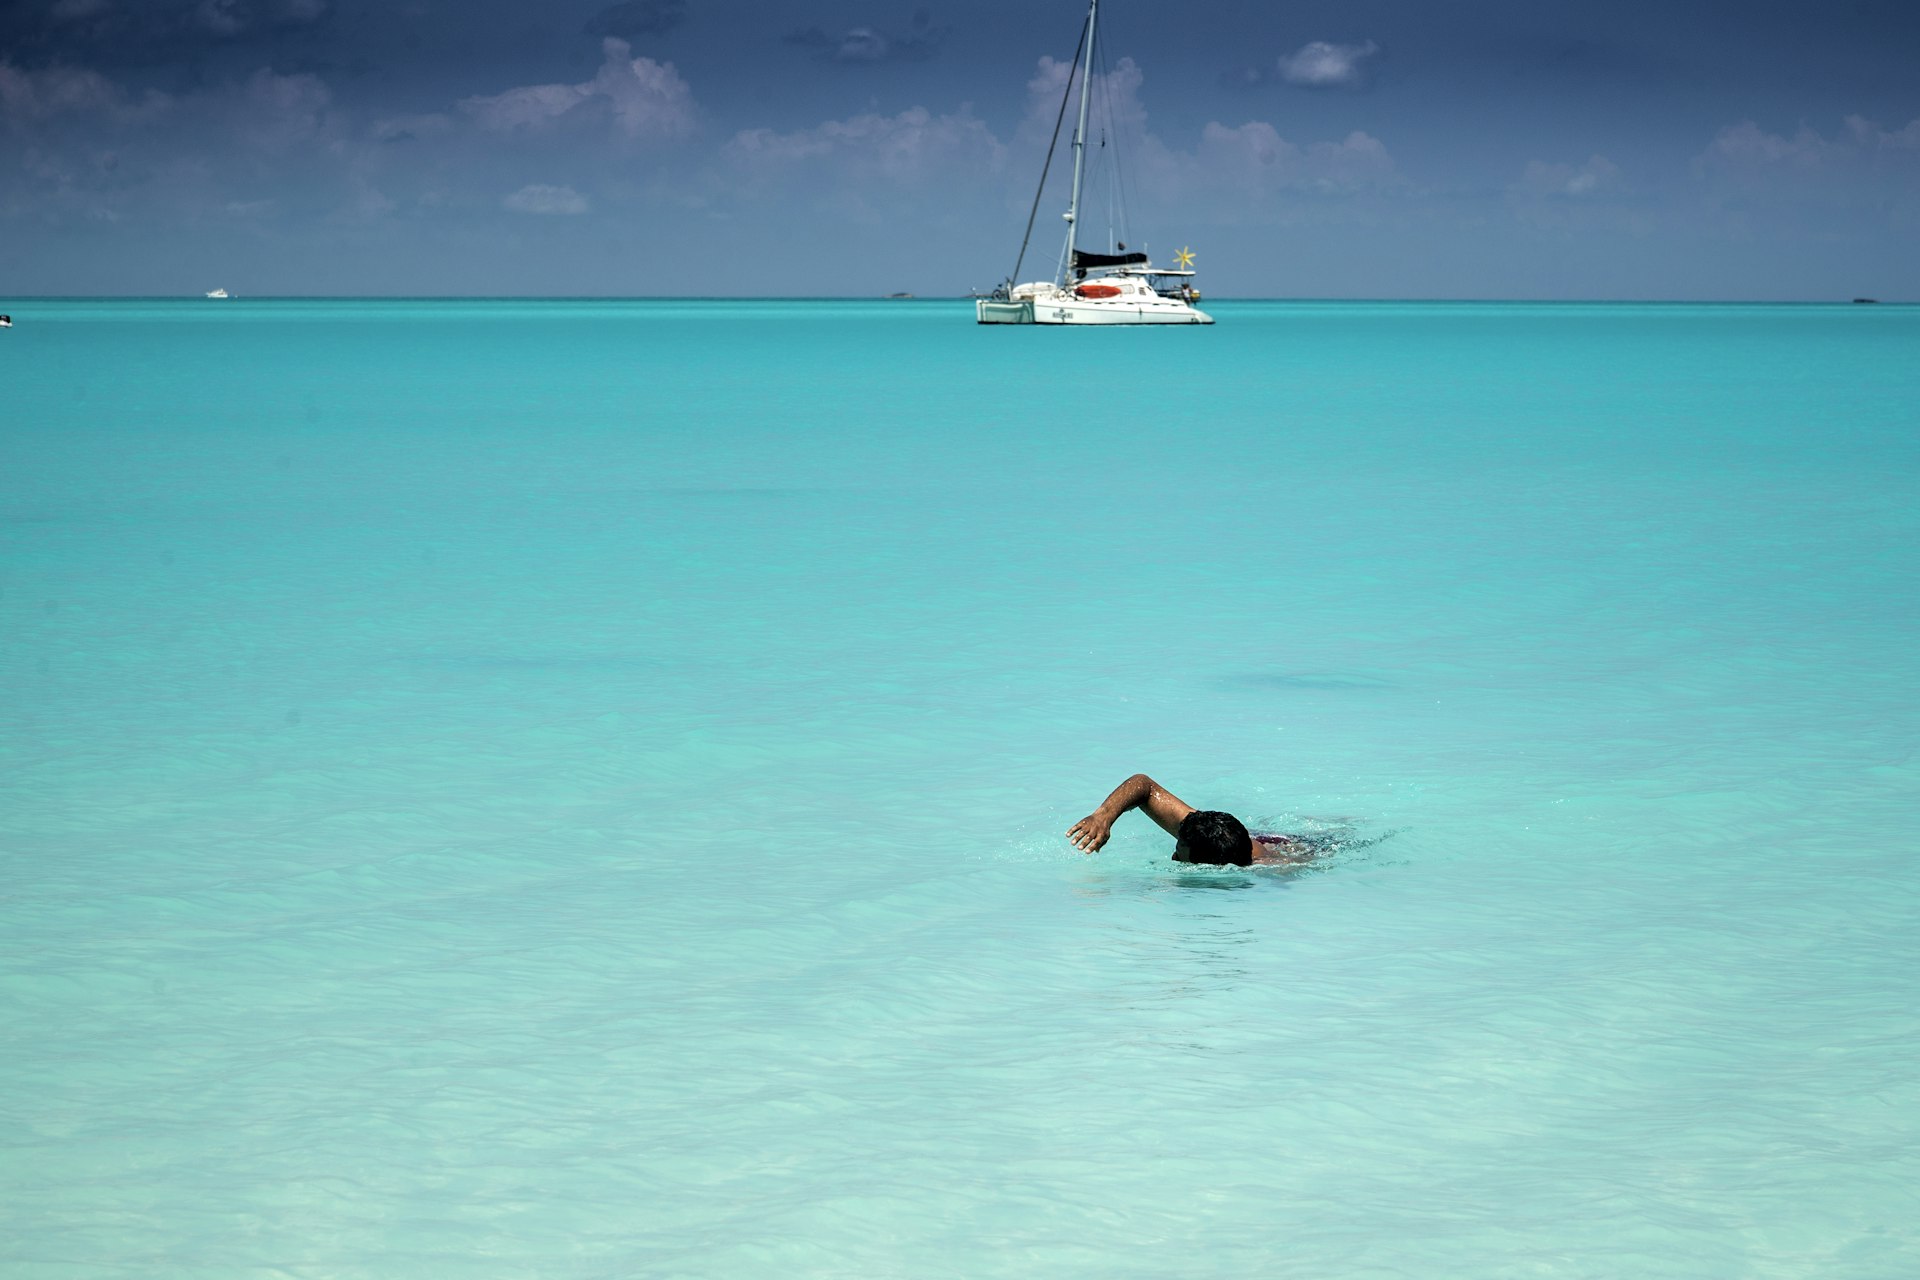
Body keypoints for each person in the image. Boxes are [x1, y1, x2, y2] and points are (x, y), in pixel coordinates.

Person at [1068, 773, 1302, 866]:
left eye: (1179, 855)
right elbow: (1144, 786)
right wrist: (1103, 817)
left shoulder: (1273, 869)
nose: (1173, 856)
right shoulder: (1200, 830)